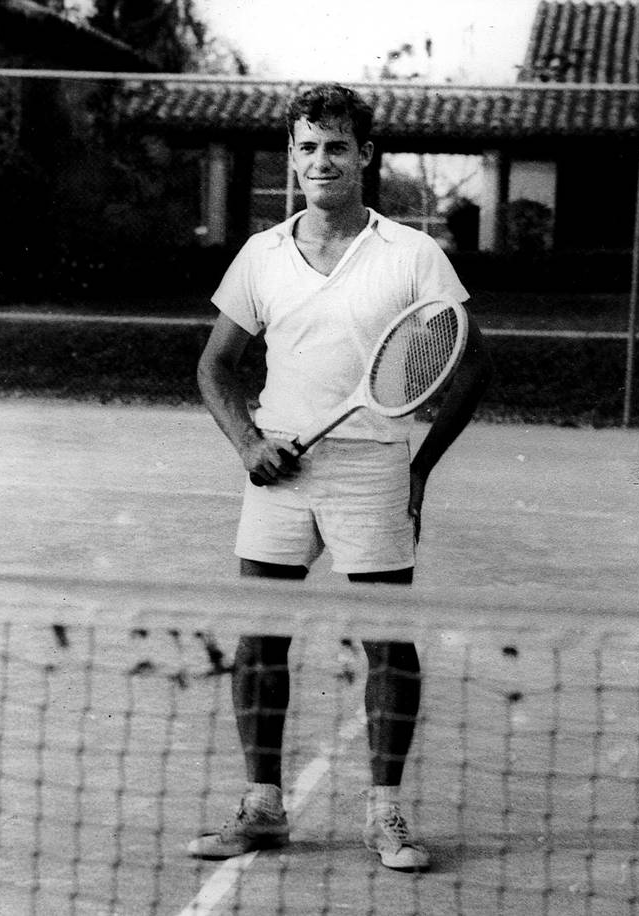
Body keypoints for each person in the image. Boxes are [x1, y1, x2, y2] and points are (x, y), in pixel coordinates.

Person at [190, 83, 491, 872]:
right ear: (293, 158)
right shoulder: (260, 255)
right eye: (308, 147)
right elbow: (215, 366)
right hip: (279, 471)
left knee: (388, 644)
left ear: (364, 155)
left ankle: (386, 813)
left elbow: (471, 361)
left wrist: (419, 466)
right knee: (261, 642)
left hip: (372, 472)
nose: (322, 160)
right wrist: (249, 441)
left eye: (337, 146)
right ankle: (263, 805)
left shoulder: (411, 254)